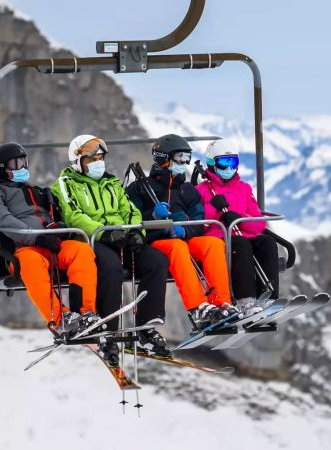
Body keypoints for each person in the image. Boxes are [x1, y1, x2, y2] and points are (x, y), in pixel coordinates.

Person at [51, 134, 172, 360]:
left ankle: (146, 326)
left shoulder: (112, 183)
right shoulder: (66, 184)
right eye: (91, 159)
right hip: (92, 239)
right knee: (111, 266)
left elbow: (129, 210)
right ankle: (108, 331)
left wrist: (137, 231)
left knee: (157, 261)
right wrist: (105, 233)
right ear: (77, 161)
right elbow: (73, 216)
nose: (98, 163)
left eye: (100, 158)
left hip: (121, 236)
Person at [0, 142, 100, 336]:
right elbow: (3, 220)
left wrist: (60, 228)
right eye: (16, 164)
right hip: (24, 251)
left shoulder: (36, 191)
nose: (22, 168)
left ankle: (85, 314)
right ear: (1, 169)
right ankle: (61, 320)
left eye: (24, 162)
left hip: (53, 245)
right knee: (30, 261)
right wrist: (37, 238)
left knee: (81, 250)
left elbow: (51, 218)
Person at [125, 134, 241, 330]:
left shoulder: (188, 190)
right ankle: (197, 308)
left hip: (184, 238)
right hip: (155, 243)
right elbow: (130, 220)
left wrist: (184, 231)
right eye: (180, 158)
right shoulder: (139, 189)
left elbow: (200, 221)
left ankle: (222, 302)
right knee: (177, 247)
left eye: (187, 158)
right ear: (163, 158)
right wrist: (152, 216)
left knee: (212, 244)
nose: (184, 163)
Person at [196, 138, 280, 314]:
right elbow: (198, 223)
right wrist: (216, 212)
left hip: (244, 235)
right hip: (219, 238)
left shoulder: (244, 188)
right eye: (224, 163)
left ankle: (269, 298)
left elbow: (258, 224)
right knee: (240, 244)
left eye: (233, 162)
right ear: (211, 164)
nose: (229, 168)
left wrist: (238, 217)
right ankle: (246, 301)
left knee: (267, 242)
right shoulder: (201, 191)